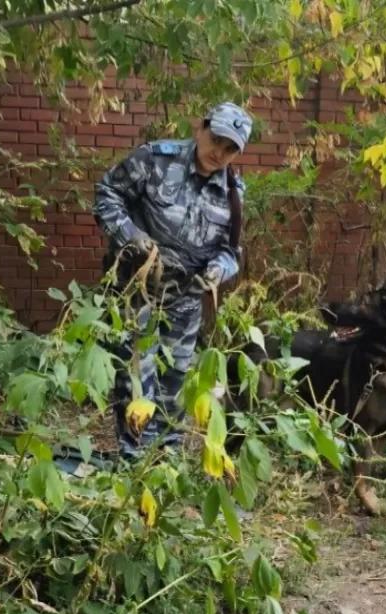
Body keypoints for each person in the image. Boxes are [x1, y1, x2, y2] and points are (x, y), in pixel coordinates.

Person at [93, 102, 254, 458]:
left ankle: (165, 465)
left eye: (231, 149)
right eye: (217, 140)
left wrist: (218, 271)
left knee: (175, 387)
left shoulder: (232, 192)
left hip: (185, 303)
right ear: (200, 128)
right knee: (136, 385)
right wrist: (130, 235)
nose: (220, 153)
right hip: (138, 294)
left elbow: (232, 252)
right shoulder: (154, 160)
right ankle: (134, 463)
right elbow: (106, 193)